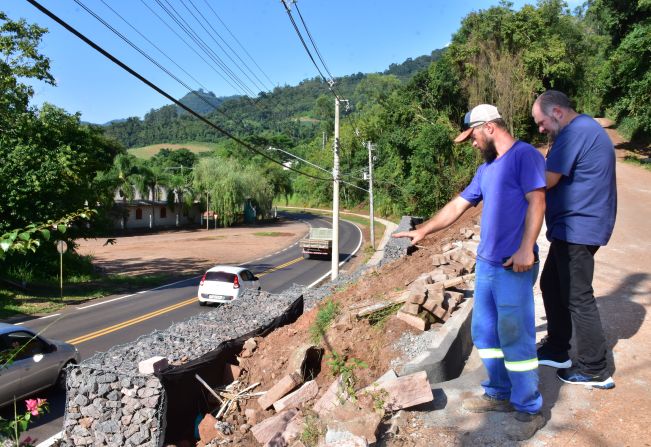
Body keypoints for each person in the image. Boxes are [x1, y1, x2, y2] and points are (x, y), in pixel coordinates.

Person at [394, 104, 546, 441]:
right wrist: (424, 230)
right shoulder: (487, 169)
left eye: (473, 135)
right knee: (485, 333)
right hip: (488, 265)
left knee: (515, 334)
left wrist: (525, 248)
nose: (473, 143)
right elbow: (457, 205)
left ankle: (528, 406)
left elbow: (538, 202)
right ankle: (499, 392)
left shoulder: (525, 156)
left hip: (513, 264)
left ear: (489, 127)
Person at [531, 90, 617, 389]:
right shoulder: (583, 130)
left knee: (578, 297)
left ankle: (595, 369)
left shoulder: (574, 132)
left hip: (579, 228)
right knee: (551, 284)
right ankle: (557, 349)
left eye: (541, 122)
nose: (540, 129)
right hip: (574, 227)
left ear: (557, 112)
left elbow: (547, 179)